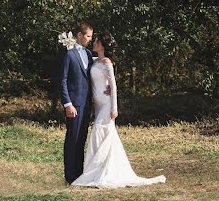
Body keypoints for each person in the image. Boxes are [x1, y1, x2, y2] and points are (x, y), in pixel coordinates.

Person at [71, 32, 166, 189]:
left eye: (96, 41)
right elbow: (81, 61)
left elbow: (113, 86)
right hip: (98, 105)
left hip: (107, 105)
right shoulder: (95, 60)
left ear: (102, 44)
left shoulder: (107, 63)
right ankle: (97, 169)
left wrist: (114, 108)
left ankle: (100, 171)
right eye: (93, 40)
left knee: (98, 133)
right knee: (102, 136)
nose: (94, 42)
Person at [59, 20, 95, 184]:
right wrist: (68, 104)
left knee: (81, 139)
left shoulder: (88, 54)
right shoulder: (68, 53)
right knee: (72, 138)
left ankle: (79, 174)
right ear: (79, 35)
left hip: (86, 104)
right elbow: (63, 80)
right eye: (88, 36)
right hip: (74, 104)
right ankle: (69, 176)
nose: (90, 39)